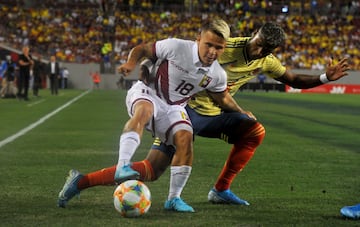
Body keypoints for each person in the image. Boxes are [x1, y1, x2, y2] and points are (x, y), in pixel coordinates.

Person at [57, 22, 350, 209]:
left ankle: (220, 190)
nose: (256, 48)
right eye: (256, 41)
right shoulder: (223, 48)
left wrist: (325, 76)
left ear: (270, 51)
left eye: (264, 48)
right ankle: (82, 181)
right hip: (184, 108)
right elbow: (170, 54)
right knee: (153, 170)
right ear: (252, 34)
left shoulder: (266, 61)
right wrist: (145, 70)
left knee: (254, 129)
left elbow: (293, 79)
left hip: (216, 112)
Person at [58, 18, 253, 212]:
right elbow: (143, 49)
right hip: (149, 92)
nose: (212, 52)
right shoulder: (177, 47)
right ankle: (122, 164)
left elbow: (223, 98)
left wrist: (242, 112)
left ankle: (173, 199)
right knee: (144, 110)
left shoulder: (217, 74)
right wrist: (131, 64)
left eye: (218, 48)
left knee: (185, 138)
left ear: (224, 47)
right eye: (208, 45)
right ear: (198, 38)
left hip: (174, 107)